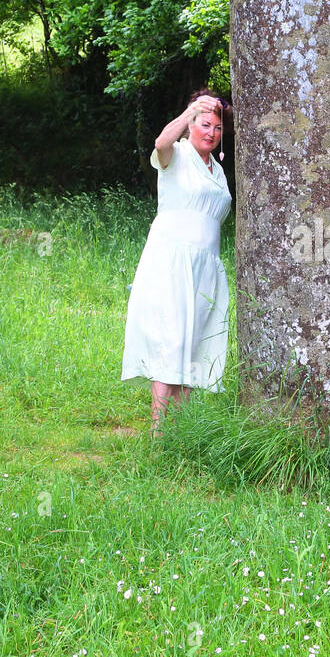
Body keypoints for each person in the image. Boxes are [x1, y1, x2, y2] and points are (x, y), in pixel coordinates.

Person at [121, 89, 232, 434]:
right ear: (190, 125)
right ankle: (158, 431)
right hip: (172, 258)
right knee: (171, 337)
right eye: (204, 124)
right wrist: (189, 113)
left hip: (205, 264)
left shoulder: (217, 170)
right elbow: (159, 143)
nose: (210, 133)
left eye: (216, 128)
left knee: (195, 341)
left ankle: (181, 431)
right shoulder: (177, 155)